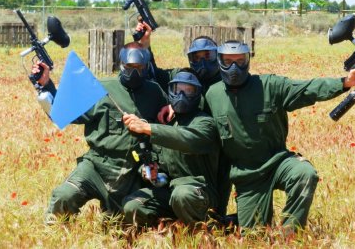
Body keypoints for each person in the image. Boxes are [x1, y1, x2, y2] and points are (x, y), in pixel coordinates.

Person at [204, 40, 355, 232]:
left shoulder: (270, 85)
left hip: (278, 162)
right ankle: (238, 221)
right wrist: (173, 107)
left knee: (304, 174)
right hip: (247, 176)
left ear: (248, 60)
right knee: (254, 236)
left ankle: (289, 236)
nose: (234, 67)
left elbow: (307, 88)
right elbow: (196, 123)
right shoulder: (212, 95)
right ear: (219, 61)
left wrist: (345, 82)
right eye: (228, 61)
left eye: (240, 61)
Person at [33, 42, 168, 223]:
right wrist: (46, 84)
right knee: (64, 196)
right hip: (97, 165)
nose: (134, 72)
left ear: (146, 67)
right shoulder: (101, 88)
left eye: (139, 67)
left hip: (132, 171)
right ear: (121, 64)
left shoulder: (155, 92)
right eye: (129, 67)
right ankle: (54, 237)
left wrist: (171, 108)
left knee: (120, 226)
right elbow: (69, 111)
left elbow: (167, 128)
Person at [137, 21, 233, 221]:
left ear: (217, 56)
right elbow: (156, 75)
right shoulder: (184, 75)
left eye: (208, 56)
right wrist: (145, 44)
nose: (202, 62)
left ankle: (215, 222)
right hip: (190, 142)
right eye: (196, 58)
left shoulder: (228, 81)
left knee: (221, 185)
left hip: (224, 142)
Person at [121, 69, 220, 226]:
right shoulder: (164, 122)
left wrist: (148, 128)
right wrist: (149, 172)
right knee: (132, 205)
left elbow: (184, 138)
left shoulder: (205, 122)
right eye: (178, 90)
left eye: (188, 91)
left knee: (182, 195)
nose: (181, 95)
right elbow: (154, 160)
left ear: (197, 94)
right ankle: (167, 229)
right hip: (169, 191)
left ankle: (204, 231)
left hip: (199, 192)